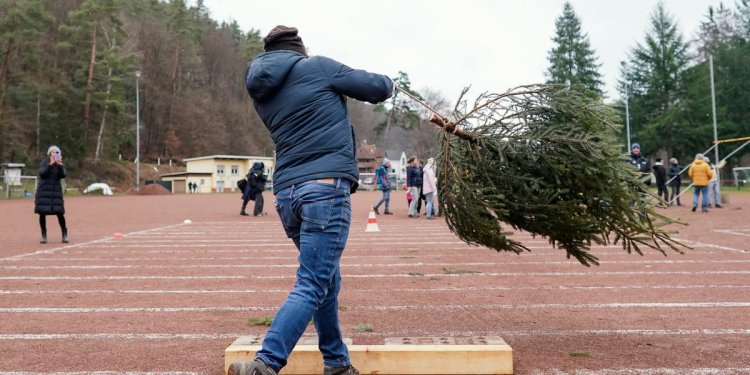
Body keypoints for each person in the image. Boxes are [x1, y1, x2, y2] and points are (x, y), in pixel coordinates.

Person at [231, 25, 393, 375]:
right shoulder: (315, 66)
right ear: (297, 49)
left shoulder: (261, 90)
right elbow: (375, 87)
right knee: (312, 283)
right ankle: (266, 363)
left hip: (287, 194)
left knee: (326, 280)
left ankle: (336, 362)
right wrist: (392, 83)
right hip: (324, 189)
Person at [35, 145, 68, 244]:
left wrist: (60, 165)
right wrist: (50, 164)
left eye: (57, 152)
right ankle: (44, 235)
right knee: (42, 213)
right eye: (53, 152)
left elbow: (63, 175)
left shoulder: (60, 164)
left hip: (55, 192)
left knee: (60, 213)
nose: (54, 154)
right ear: (49, 154)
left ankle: (64, 234)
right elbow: (42, 173)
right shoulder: (44, 163)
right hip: (44, 192)